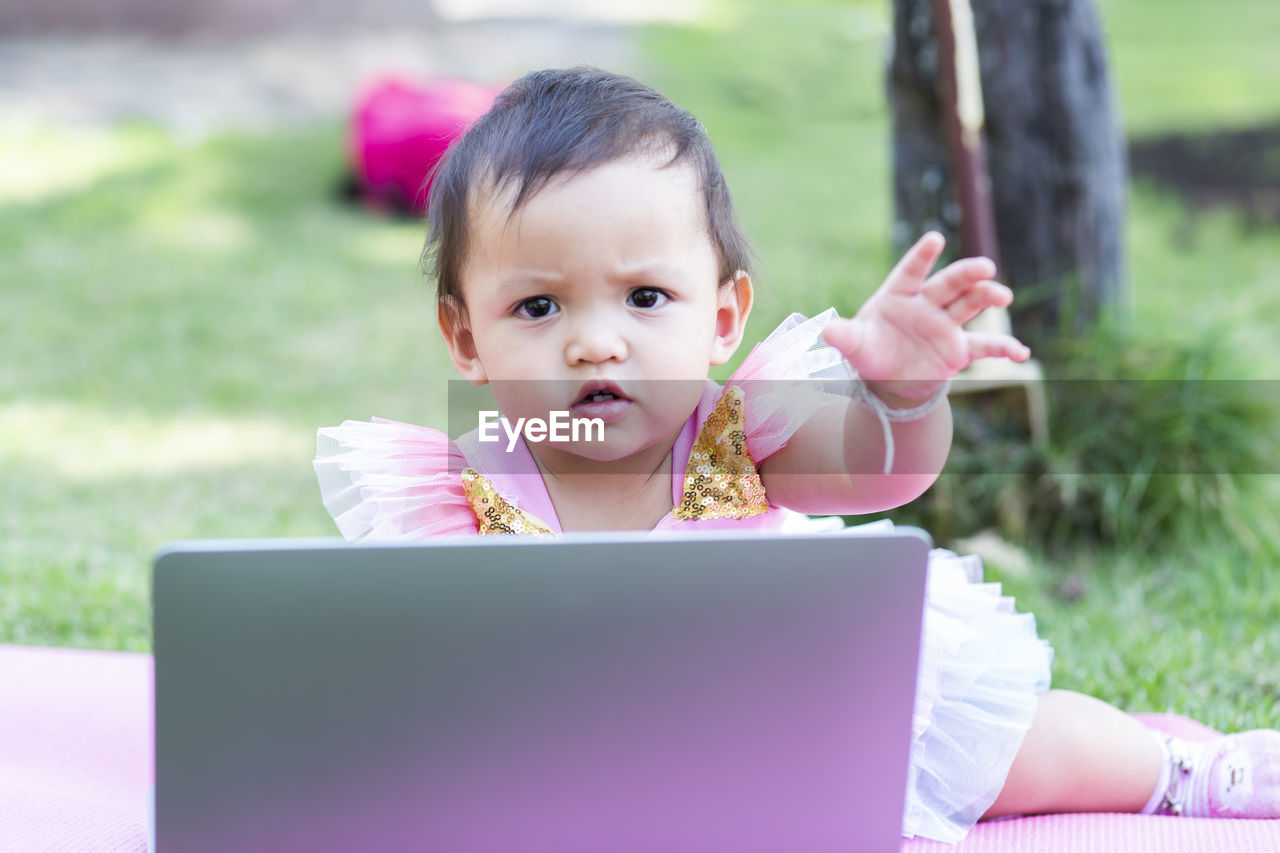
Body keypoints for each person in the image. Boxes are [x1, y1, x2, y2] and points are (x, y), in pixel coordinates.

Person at [314, 67, 1280, 842]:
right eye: (538, 306)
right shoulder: (465, 489)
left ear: (723, 316)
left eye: (645, 297)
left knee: (1024, 752)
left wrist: (903, 394)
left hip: (805, 720)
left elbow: (886, 468)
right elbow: (426, 667)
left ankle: (1181, 770)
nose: (595, 343)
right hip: (603, 753)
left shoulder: (740, 432)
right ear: (467, 340)